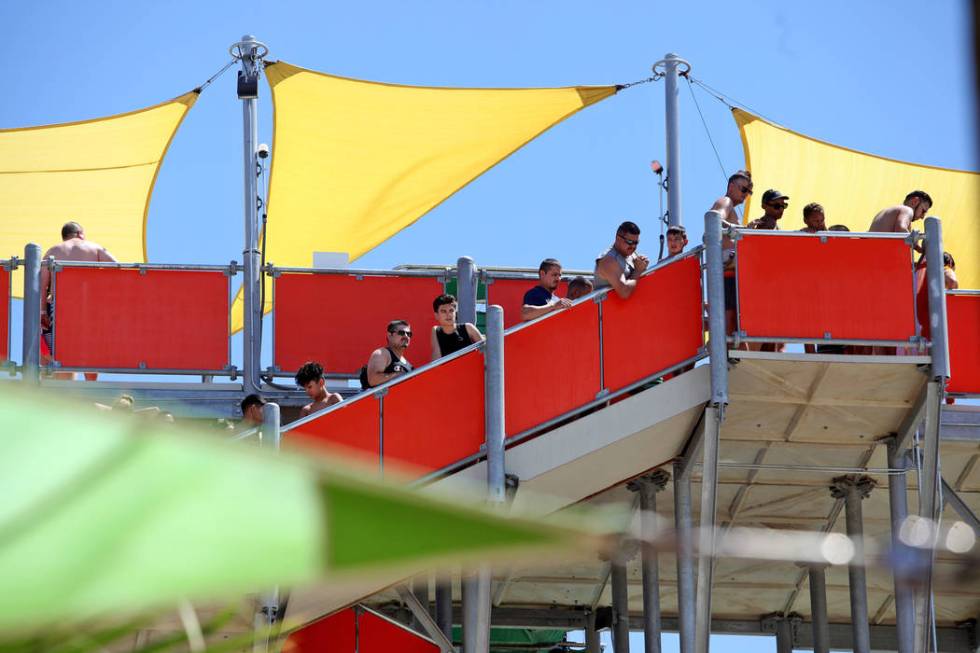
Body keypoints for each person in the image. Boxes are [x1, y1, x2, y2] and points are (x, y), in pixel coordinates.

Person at [40, 221, 117, 381]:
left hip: (60, 307)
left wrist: (42, 311)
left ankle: (60, 388)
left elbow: (42, 285)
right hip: (89, 305)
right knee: (90, 347)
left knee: (60, 348)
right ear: (80, 234)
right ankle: (90, 384)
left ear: (64, 237)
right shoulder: (95, 248)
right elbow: (117, 267)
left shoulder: (53, 251)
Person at [709, 171, 753, 338]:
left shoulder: (731, 208)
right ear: (731, 186)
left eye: (749, 192)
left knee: (734, 318)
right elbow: (715, 219)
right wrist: (741, 230)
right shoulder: (725, 201)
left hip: (729, 270)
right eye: (743, 190)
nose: (745, 195)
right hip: (727, 270)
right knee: (729, 318)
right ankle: (726, 351)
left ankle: (730, 351)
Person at [594, 221, 650, 299]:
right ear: (618, 238)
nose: (633, 246)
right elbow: (624, 292)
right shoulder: (608, 260)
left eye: (636, 243)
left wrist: (643, 267)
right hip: (608, 309)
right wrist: (638, 271)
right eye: (629, 242)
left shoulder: (631, 254)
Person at [430, 294, 484, 361]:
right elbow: (436, 360)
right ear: (436, 315)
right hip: (449, 370)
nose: (448, 314)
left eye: (451, 310)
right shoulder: (436, 330)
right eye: (443, 311)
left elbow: (486, 350)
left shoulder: (468, 327)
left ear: (455, 312)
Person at [363, 321, 414, 388]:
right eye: (401, 333)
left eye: (409, 334)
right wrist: (396, 376)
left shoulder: (408, 365)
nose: (406, 336)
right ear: (389, 335)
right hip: (381, 398)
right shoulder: (382, 353)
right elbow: (373, 380)